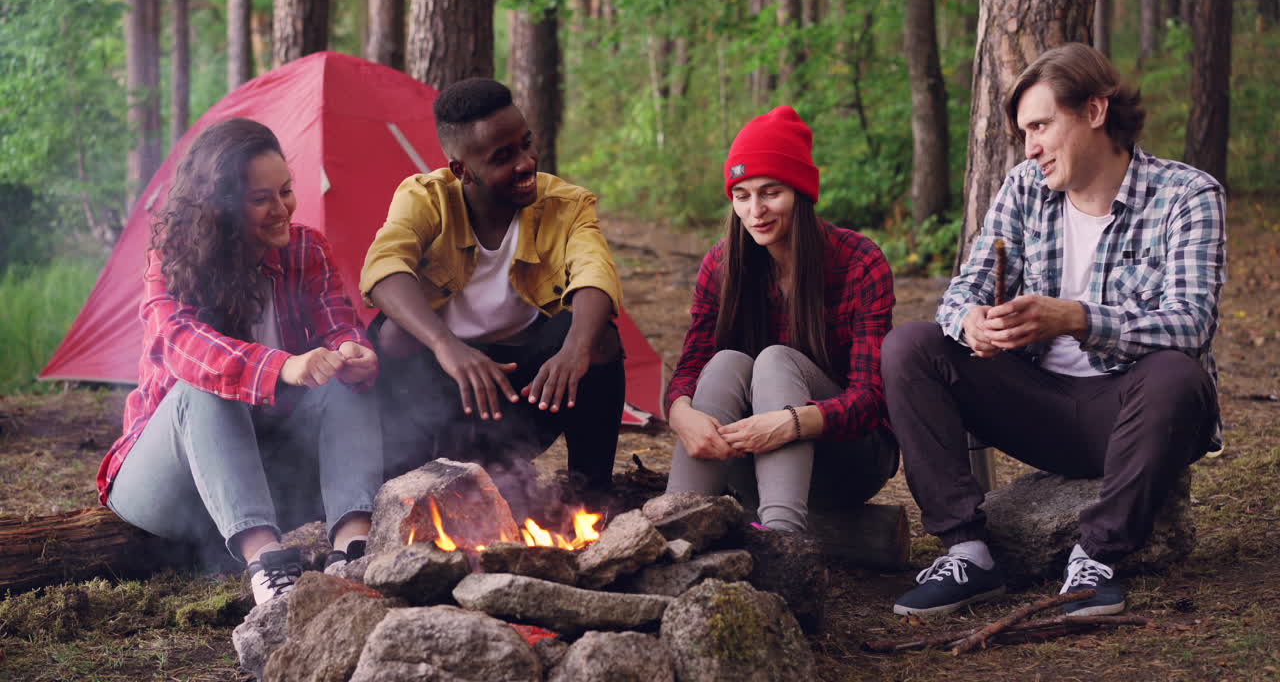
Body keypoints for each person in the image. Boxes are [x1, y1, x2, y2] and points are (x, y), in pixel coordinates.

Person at [884, 43, 1224, 617]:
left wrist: (1077, 317)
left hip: (1135, 412)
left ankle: (1095, 559)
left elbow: (1191, 324)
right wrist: (973, 323)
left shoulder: (1186, 196)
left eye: (1041, 125)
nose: (1031, 146)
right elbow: (962, 289)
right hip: (1038, 406)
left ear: (1094, 111)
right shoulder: (1024, 188)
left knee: (1177, 374)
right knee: (910, 346)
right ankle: (970, 554)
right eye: (1024, 132)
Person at [100, 118, 383, 605]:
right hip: (167, 485)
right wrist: (281, 366)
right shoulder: (171, 259)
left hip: (266, 469)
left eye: (287, 191)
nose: (282, 209)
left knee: (343, 380)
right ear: (222, 208)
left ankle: (352, 550)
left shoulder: (306, 249)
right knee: (202, 386)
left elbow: (340, 324)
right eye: (261, 199)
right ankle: (268, 566)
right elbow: (182, 344)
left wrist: (353, 351)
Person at [360, 78, 625, 514]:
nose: (527, 163)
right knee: (393, 336)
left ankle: (591, 499)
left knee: (597, 338)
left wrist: (575, 349)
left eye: (526, 144)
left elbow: (595, 269)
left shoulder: (566, 204)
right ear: (461, 170)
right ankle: (402, 487)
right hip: (445, 401)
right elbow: (383, 268)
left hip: (527, 394)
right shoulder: (425, 198)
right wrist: (447, 345)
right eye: (503, 157)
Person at [663, 106, 899, 533]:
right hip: (749, 461)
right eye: (742, 195)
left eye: (771, 192)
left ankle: (783, 546)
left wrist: (790, 423)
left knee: (775, 359)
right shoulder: (721, 264)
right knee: (724, 363)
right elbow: (690, 368)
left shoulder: (859, 262)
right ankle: (677, 531)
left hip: (847, 463)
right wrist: (682, 414)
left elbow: (871, 400)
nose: (756, 210)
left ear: (801, 193)